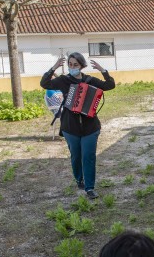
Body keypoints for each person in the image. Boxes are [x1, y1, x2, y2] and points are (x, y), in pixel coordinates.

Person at [41, 52, 115, 200]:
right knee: (76, 156)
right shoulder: (63, 80)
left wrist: (103, 70)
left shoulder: (89, 80)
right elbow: (45, 83)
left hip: (90, 127)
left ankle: (90, 187)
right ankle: (79, 179)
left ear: (81, 66)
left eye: (76, 65)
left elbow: (110, 85)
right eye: (70, 64)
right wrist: (54, 67)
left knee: (88, 156)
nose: (72, 67)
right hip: (70, 127)